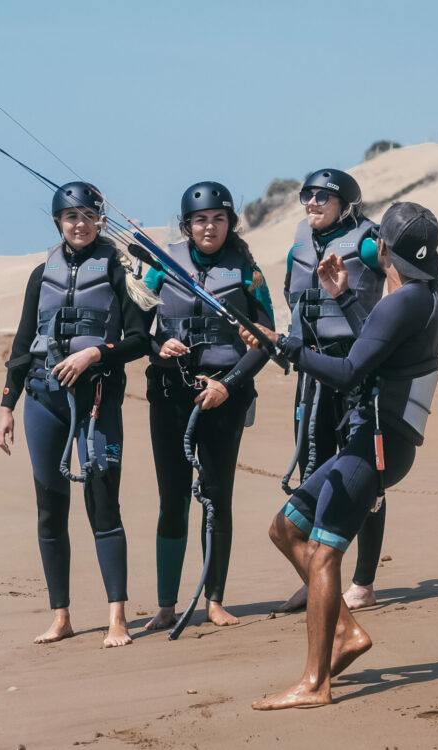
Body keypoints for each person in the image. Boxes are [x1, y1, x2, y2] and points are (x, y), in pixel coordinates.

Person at [245, 201, 438, 709]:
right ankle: (346, 633)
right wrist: (344, 298)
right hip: (379, 441)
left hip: (375, 447)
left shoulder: (405, 300)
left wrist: (284, 346)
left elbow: (349, 372)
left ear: (382, 249)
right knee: (285, 528)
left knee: (323, 553)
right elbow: (379, 346)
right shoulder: (421, 299)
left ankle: (315, 684)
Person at [0, 181, 154, 648]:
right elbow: (22, 346)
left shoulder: (121, 268)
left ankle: (117, 618)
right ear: (57, 223)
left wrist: (93, 356)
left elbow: (140, 339)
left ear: (100, 219)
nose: (79, 224)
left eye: (87, 215)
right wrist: (7, 404)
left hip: (96, 401)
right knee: (50, 509)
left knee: (103, 504)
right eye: (70, 217)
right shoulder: (40, 273)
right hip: (43, 401)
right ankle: (60, 616)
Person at [141, 181, 275, 631]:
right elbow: (137, 327)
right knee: (172, 499)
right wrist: (160, 345)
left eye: (219, 219)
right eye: (200, 220)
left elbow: (266, 342)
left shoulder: (249, 273)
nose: (209, 227)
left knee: (217, 498)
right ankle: (165, 605)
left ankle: (215, 599)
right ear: (187, 225)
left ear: (230, 223)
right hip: (170, 395)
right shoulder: (161, 266)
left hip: (223, 396)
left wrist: (229, 386)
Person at [279, 168, 388, 612]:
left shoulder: (367, 240)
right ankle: (317, 579)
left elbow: (402, 282)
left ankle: (363, 582)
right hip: (313, 369)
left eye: (323, 196)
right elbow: (292, 304)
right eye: (307, 195)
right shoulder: (297, 248)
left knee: (367, 479)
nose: (312, 203)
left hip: (358, 367)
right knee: (315, 470)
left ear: (346, 203)